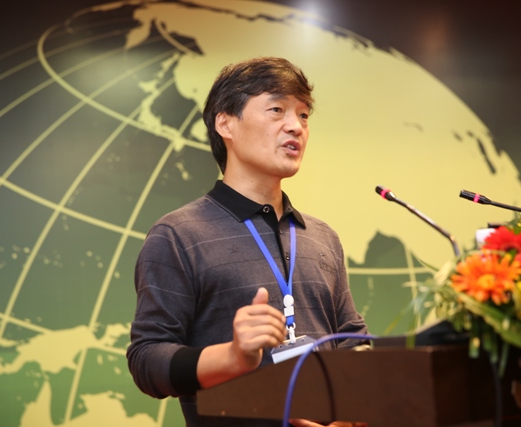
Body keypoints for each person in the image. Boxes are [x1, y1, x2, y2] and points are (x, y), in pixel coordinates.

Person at [127, 56, 369, 427]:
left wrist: (354, 415)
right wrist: (233, 357)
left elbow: (352, 339)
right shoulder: (178, 235)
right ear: (225, 123)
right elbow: (147, 360)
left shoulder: (322, 237)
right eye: (277, 110)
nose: (296, 126)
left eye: (304, 115)